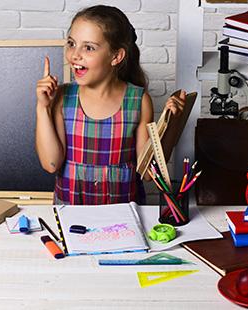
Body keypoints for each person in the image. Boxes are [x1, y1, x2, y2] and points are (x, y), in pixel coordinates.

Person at [35, 5, 185, 205]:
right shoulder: (62, 97)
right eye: (71, 43)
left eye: (88, 47)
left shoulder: (138, 100)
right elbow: (51, 164)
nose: (74, 55)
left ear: (116, 57)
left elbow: (149, 174)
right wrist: (43, 107)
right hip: (72, 216)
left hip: (122, 219)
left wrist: (171, 124)